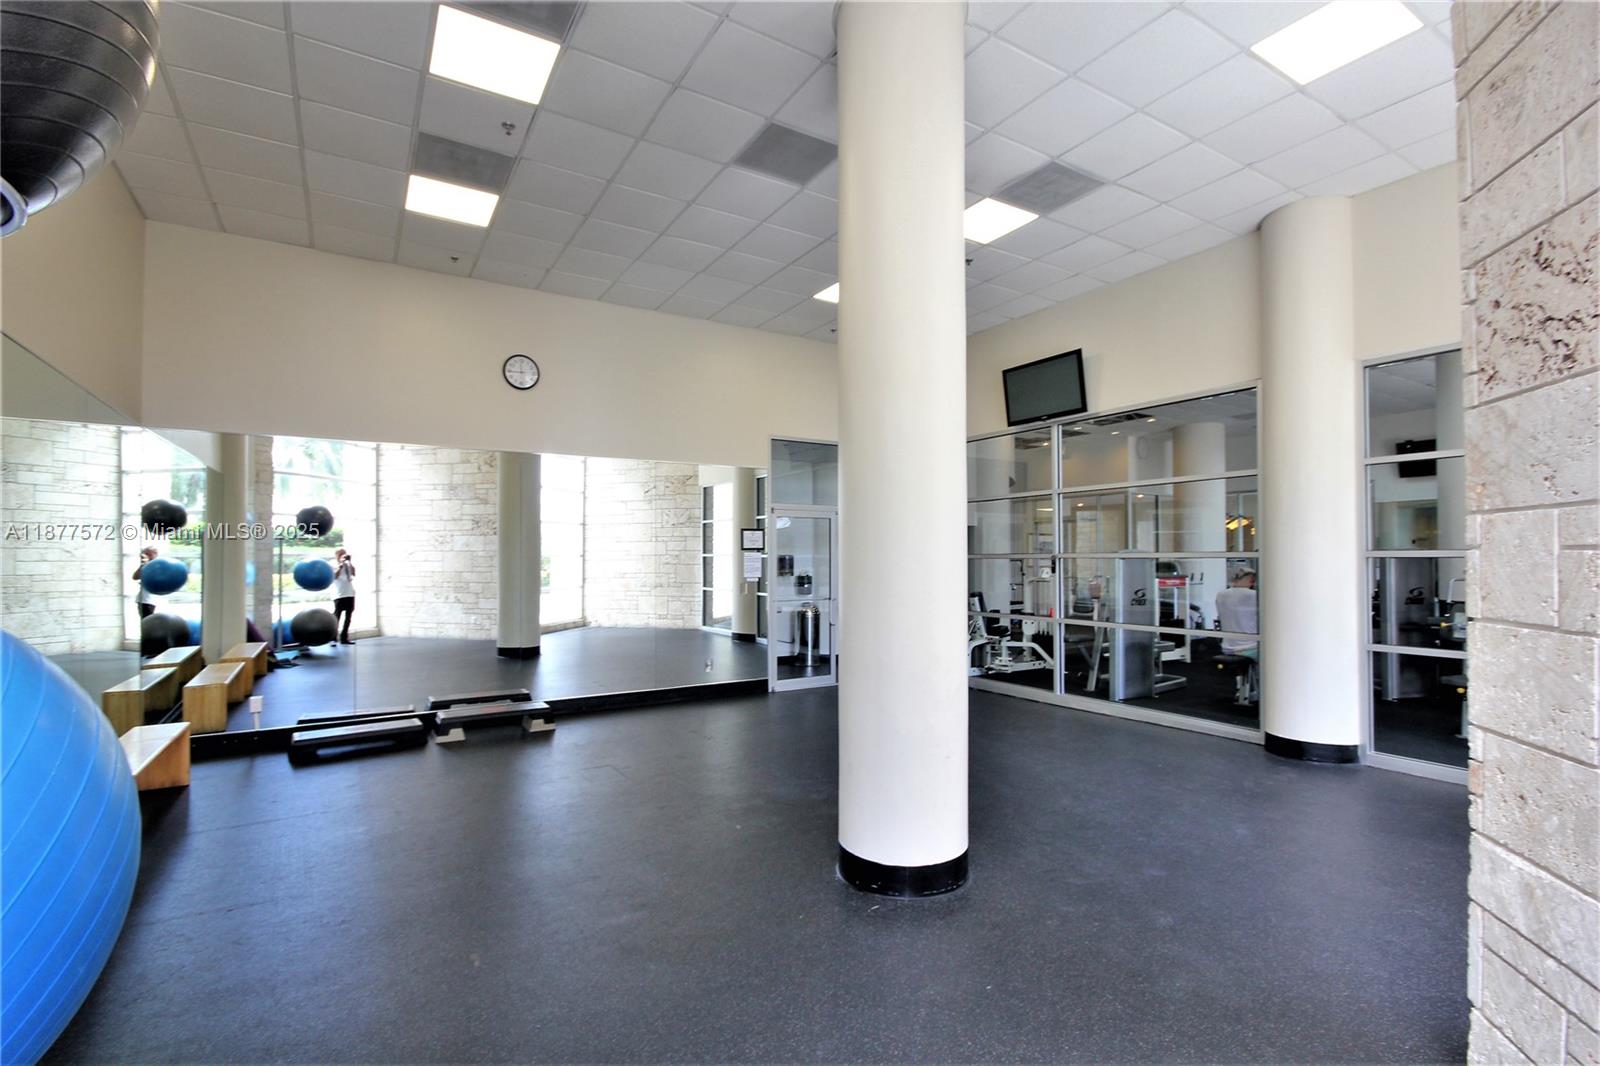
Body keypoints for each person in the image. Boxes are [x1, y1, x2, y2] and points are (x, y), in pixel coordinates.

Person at [1215, 567, 1259, 657]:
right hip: (1249, 647)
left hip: (1227, 647)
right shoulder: (1254, 595)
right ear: (1252, 580)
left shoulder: (1220, 595)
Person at [331, 548, 356, 645]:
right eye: (341, 554)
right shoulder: (332, 564)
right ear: (336, 555)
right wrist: (340, 566)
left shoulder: (347, 564)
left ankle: (344, 637)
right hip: (339, 594)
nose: (343, 556)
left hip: (349, 593)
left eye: (344, 554)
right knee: (337, 616)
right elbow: (334, 576)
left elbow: (354, 573)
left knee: (348, 617)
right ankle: (333, 638)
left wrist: (350, 562)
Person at [132, 547, 158, 619]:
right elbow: (135, 577)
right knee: (146, 620)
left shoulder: (156, 566)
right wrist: (142, 565)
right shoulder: (145, 566)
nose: (147, 556)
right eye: (146, 554)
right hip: (145, 599)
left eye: (148, 554)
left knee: (148, 621)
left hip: (150, 599)